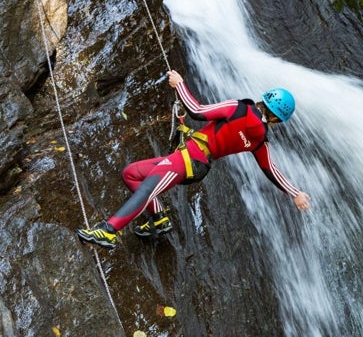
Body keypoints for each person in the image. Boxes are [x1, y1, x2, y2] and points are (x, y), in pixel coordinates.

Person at [76, 70, 311, 249]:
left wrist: (180, 85)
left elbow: (197, 111)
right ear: (278, 120)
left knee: (147, 187)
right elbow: (271, 170)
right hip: (195, 163)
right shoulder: (260, 142)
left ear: (265, 99)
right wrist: (295, 193)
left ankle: (108, 230)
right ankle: (158, 219)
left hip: (188, 158)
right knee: (132, 173)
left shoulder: (240, 108)